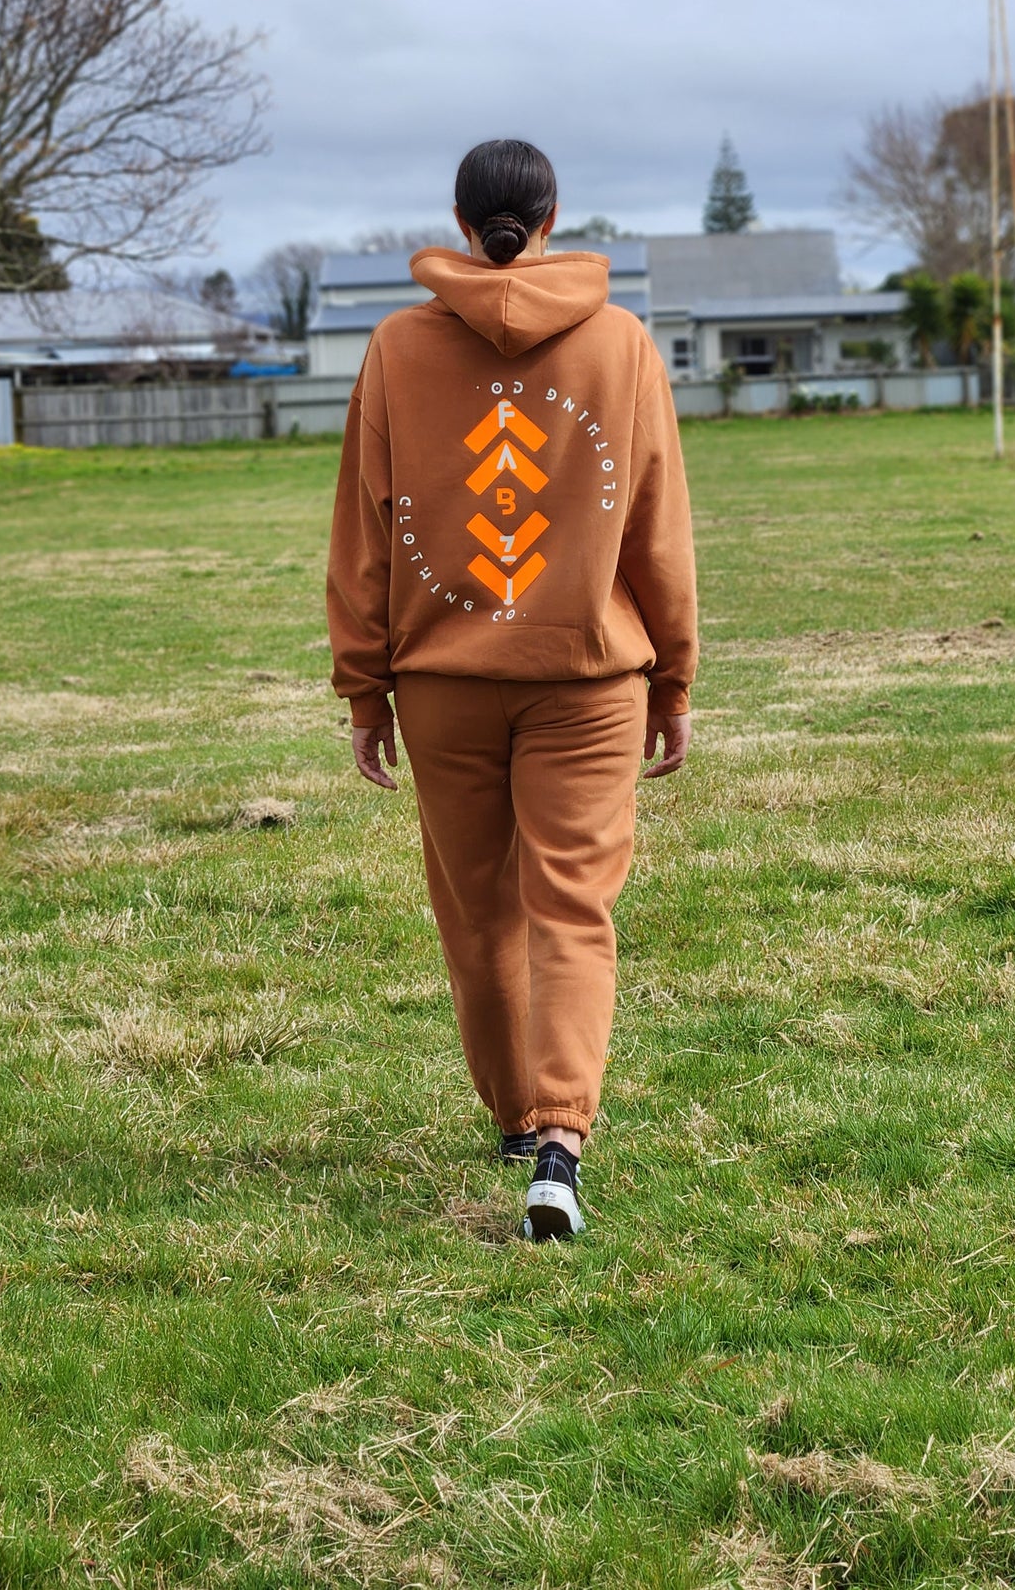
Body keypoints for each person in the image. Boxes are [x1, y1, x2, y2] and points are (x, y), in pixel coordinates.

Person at [326, 139, 698, 1242]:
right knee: (572, 907)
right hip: (590, 677)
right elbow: (655, 527)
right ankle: (560, 1140)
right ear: (551, 217)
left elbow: (365, 529)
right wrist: (671, 677)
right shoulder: (623, 345)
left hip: (440, 680)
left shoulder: (396, 349)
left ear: (457, 215)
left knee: (479, 910)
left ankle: (510, 1116)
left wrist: (363, 687)